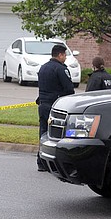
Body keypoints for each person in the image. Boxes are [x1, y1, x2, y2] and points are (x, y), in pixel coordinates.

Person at [35, 43, 75, 171]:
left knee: (43, 134)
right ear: (60, 55)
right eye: (65, 56)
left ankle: (41, 162)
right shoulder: (61, 69)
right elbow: (69, 89)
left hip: (43, 105)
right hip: (56, 108)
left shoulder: (43, 68)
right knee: (57, 136)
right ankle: (57, 165)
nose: (66, 58)